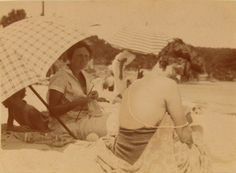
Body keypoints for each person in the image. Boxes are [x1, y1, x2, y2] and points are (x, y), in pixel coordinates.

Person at [48, 41, 107, 140]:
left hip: (85, 117)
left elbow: (83, 97)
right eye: (79, 56)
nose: (83, 59)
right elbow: (52, 111)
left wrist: (93, 97)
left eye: (86, 56)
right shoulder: (60, 77)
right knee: (109, 126)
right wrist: (77, 103)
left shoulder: (83, 75)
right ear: (70, 58)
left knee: (114, 119)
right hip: (66, 124)